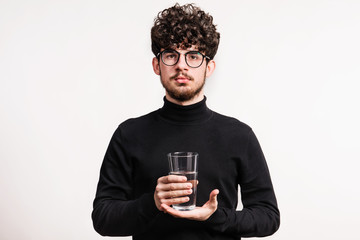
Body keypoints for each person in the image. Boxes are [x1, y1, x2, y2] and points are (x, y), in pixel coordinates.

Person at [92, 3, 280, 240]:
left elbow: (268, 216)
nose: (181, 65)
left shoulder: (239, 135)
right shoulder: (129, 134)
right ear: (156, 65)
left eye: (193, 56)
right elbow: (102, 218)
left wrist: (214, 216)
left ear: (209, 67)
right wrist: (152, 202)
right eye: (171, 55)